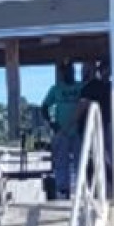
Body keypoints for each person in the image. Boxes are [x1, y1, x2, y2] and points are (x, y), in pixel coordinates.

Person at [42, 61, 85, 198]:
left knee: (81, 161)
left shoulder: (81, 86)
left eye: (71, 70)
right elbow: (44, 107)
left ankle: (81, 189)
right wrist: (52, 123)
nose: (69, 73)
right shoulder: (56, 89)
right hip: (62, 131)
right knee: (61, 162)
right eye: (66, 70)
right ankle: (63, 190)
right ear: (62, 73)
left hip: (78, 131)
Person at [79, 59, 113, 192]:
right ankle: (100, 188)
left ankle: (109, 187)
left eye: (108, 69)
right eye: (104, 69)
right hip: (95, 128)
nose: (107, 72)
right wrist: (71, 125)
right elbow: (82, 106)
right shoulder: (91, 87)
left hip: (110, 126)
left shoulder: (113, 87)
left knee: (109, 156)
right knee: (100, 157)